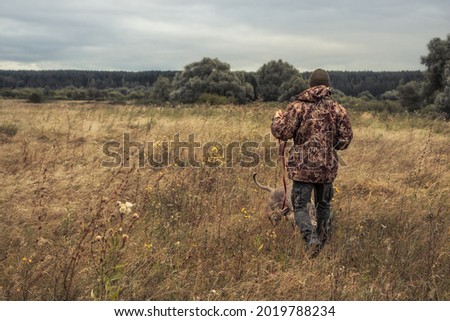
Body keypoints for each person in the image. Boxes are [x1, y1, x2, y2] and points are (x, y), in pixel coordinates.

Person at [271, 68, 353, 255]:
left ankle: (311, 240)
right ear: (328, 85)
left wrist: (277, 119)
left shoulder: (297, 107)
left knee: (300, 206)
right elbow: (345, 140)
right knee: (323, 205)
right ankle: (322, 243)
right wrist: (328, 146)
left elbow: (282, 132)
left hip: (302, 169)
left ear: (309, 85)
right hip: (326, 169)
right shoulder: (338, 109)